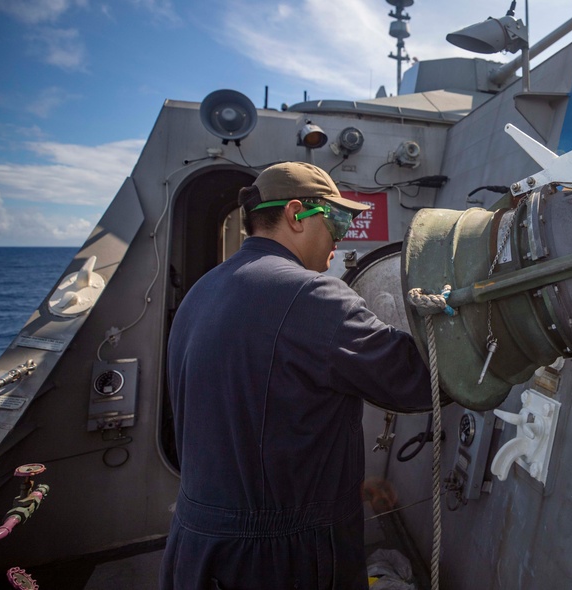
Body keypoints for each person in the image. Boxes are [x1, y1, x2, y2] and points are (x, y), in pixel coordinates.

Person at [161, 162, 433, 589]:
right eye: (337, 219)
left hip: (197, 549)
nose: (341, 235)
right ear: (294, 214)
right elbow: (419, 378)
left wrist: (343, 484)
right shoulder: (311, 294)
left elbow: (245, 419)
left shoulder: (202, 290)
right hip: (279, 562)